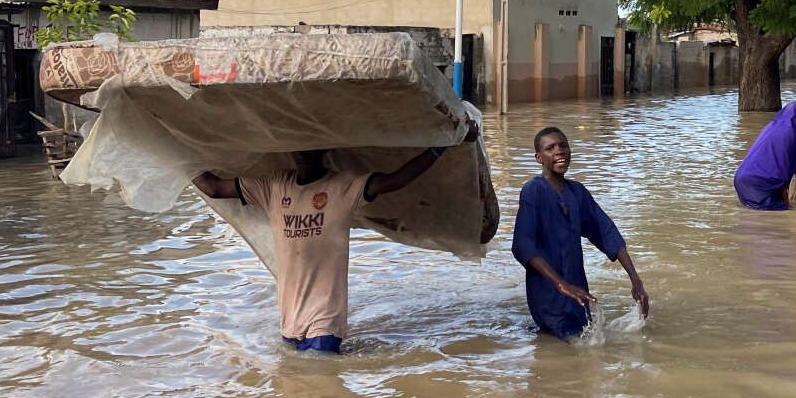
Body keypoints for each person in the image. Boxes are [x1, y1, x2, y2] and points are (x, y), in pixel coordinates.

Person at [193, 128, 479, 353]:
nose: (304, 154)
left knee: (322, 392)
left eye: (311, 147)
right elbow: (214, 187)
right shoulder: (273, 187)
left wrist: (440, 147)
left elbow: (395, 181)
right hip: (289, 322)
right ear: (289, 152)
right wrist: (169, 147)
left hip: (325, 322)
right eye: (298, 148)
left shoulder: (342, 186)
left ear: (325, 149)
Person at [512, 127, 649, 339]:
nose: (559, 151)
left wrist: (636, 280)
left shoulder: (577, 192)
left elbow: (606, 231)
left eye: (563, 146)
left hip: (577, 291)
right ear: (539, 158)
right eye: (551, 148)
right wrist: (560, 284)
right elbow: (522, 245)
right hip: (548, 293)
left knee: (585, 343)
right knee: (567, 345)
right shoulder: (533, 191)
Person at [733, 100, 796, 210]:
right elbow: (784, 172)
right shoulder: (790, 135)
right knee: (775, 220)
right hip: (760, 184)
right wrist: (787, 205)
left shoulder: (772, 126)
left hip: (742, 180)